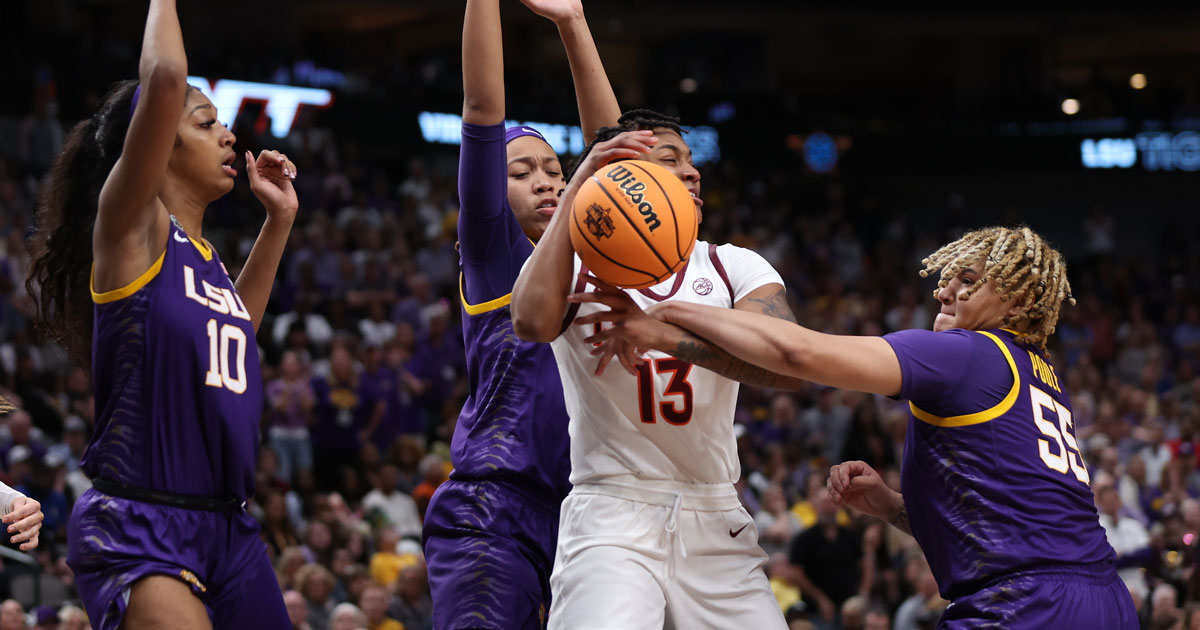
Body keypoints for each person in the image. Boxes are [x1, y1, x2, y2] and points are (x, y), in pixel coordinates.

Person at [572, 225, 1138, 628]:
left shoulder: (967, 353)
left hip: (1025, 606)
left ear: (1014, 301)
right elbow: (1008, 525)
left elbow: (799, 354)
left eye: (967, 280)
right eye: (947, 278)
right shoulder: (1040, 376)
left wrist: (667, 311)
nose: (944, 289)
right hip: (1106, 602)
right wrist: (890, 507)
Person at [24, 1, 299, 627]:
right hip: (141, 520)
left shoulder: (203, 258)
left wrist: (279, 222)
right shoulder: (131, 226)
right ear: (157, 142)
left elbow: (234, 331)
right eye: (206, 123)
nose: (229, 136)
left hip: (228, 526)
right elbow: (168, 76)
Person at [512, 112, 803, 625]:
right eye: (671, 160)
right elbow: (530, 322)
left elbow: (788, 368)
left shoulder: (733, 265)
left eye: (691, 162)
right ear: (624, 178)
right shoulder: (573, 268)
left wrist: (662, 334)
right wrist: (578, 187)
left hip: (716, 517)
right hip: (612, 512)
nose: (692, 172)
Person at [420, 0, 621, 627]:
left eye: (555, 171)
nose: (546, 182)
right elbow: (483, 109)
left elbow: (620, 162)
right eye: (521, 172)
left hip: (583, 519)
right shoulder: (498, 255)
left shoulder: (601, 268)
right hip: (493, 512)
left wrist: (574, 23)